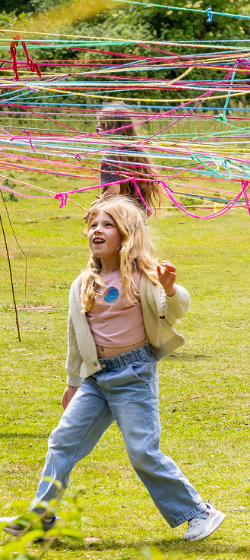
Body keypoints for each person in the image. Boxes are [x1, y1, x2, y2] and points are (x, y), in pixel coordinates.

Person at [3, 196, 225, 541]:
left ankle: (199, 512)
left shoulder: (143, 277)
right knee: (62, 441)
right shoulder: (83, 283)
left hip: (133, 374)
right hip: (95, 378)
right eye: (93, 224)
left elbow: (175, 309)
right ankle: (42, 516)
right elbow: (77, 339)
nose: (97, 230)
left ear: (126, 234)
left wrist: (170, 287)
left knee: (142, 451)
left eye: (108, 225)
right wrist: (73, 381)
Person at [96, 103, 165, 215]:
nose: (97, 133)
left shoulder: (110, 155)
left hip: (119, 218)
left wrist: (98, 206)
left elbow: (113, 191)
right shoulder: (138, 151)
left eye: (99, 128)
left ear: (109, 130)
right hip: (138, 216)